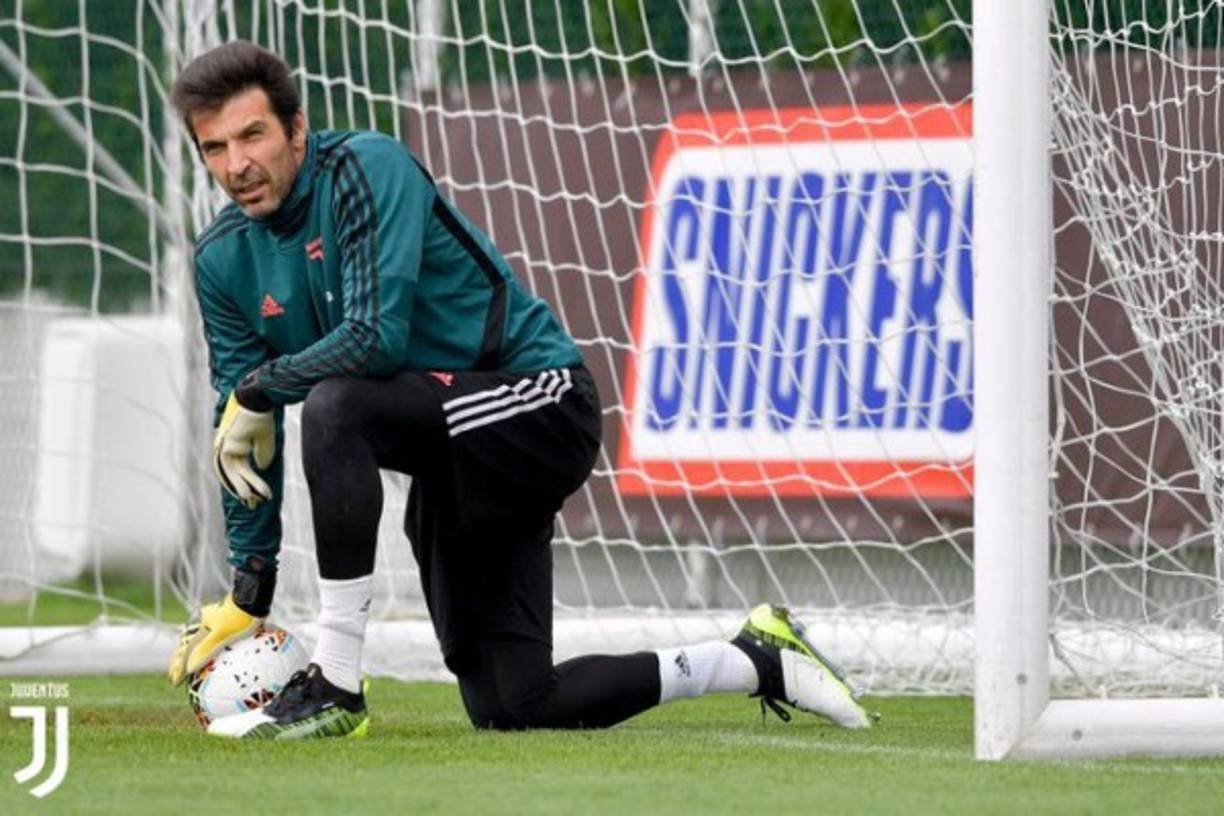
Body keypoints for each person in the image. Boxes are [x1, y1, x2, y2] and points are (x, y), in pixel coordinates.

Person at [165, 40, 870, 739]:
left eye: (252, 135)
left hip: (538, 400)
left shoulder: (364, 168)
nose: (237, 165)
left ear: (295, 128)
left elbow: (372, 340)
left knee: (335, 405)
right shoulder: (222, 258)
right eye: (215, 148)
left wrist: (261, 389)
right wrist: (249, 587)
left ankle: (336, 681)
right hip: (452, 452)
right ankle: (752, 659)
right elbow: (241, 430)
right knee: (515, 705)